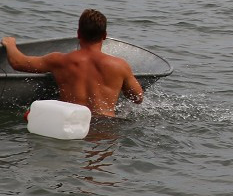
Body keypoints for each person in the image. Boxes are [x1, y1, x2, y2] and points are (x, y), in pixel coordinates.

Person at [2, 9, 143, 118]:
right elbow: (137, 98)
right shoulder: (119, 65)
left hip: (72, 121)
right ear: (104, 36)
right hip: (106, 127)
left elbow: (17, 62)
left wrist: (10, 44)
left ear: (78, 34)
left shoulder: (59, 61)